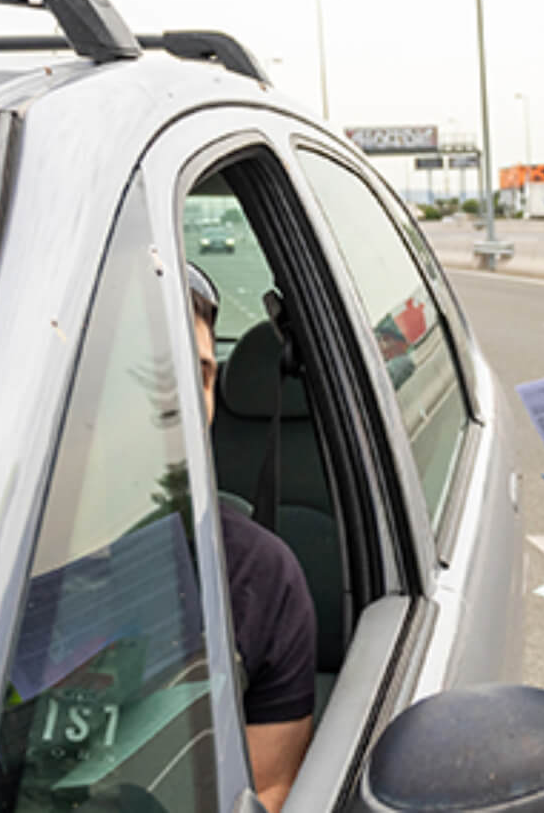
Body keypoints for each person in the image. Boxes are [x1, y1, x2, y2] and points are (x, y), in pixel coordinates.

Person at [187, 262, 317, 811]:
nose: (181, 403)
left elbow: (265, 791)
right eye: (149, 374)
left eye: (199, 375)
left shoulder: (255, 576)